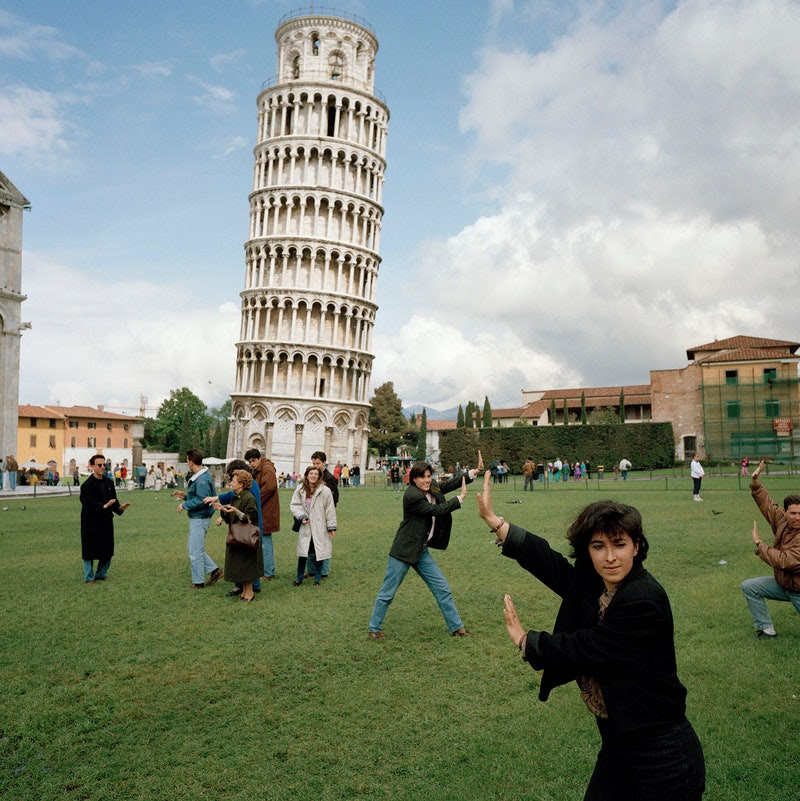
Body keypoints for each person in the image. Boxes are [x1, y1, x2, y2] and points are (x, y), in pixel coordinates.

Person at [476, 472, 705, 800]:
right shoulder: (601, 583)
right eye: (599, 546)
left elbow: (590, 648)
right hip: (619, 747)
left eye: (619, 544)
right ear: (588, 551)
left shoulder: (643, 598)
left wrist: (529, 642)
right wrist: (496, 522)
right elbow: (552, 565)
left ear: (636, 547)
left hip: (663, 758)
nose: (610, 556)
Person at [367, 454, 483, 640]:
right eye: (423, 477)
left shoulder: (431, 485)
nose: (427, 480)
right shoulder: (412, 495)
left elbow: (446, 486)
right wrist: (459, 499)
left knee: (442, 588)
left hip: (421, 550)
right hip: (404, 551)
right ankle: (374, 629)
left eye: (429, 476)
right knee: (387, 593)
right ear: (414, 479)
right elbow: (436, 510)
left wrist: (471, 473)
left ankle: (457, 628)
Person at [741, 459, 800, 638]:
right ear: (785, 512)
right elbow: (767, 505)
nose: (797, 517)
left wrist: (760, 545)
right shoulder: (782, 521)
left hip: (798, 591)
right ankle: (766, 630)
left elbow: (786, 561)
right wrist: (756, 483)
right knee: (749, 587)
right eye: (793, 513)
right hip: (783, 585)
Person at [172, 448, 223, 589]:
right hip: (200, 518)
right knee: (194, 549)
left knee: (195, 551)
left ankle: (198, 582)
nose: (187, 463)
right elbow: (200, 497)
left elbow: (202, 500)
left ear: (191, 461)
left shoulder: (201, 480)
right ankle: (214, 571)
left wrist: (185, 504)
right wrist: (186, 496)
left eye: (187, 460)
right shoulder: (203, 477)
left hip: (200, 518)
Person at [80, 454, 131, 583]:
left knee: (107, 550)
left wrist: (119, 508)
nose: (103, 467)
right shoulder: (87, 485)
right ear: (92, 466)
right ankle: (89, 577)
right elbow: (87, 503)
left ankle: (101, 573)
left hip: (106, 521)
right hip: (91, 522)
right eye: (99, 465)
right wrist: (102, 506)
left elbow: (113, 500)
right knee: (89, 551)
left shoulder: (109, 482)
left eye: (104, 465)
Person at [213, 469, 261, 602]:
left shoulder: (249, 497)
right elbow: (231, 515)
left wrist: (238, 512)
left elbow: (251, 517)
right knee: (241, 564)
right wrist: (223, 510)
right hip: (237, 536)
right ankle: (244, 591)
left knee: (247, 564)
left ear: (241, 484)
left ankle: (249, 592)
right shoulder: (236, 496)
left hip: (246, 537)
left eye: (233, 481)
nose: (231, 483)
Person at [290, 465, 337, 585]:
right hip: (306, 525)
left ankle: (317, 578)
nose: (313, 476)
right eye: (311, 473)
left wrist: (331, 526)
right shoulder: (300, 489)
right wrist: (301, 516)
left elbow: (329, 509)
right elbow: (295, 505)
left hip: (319, 525)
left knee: (318, 552)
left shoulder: (324, 491)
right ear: (307, 475)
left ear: (319, 476)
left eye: (316, 474)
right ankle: (299, 578)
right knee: (303, 553)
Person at [245, 448, 280, 581]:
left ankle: (268, 572)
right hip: (263, 509)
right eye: (250, 462)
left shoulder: (267, 469)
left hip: (267, 510)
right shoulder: (260, 469)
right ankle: (265, 570)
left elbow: (269, 488)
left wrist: (255, 501)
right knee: (262, 540)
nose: (252, 464)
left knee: (265, 541)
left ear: (259, 458)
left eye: (253, 461)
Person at [311, 450, 339, 578]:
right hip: (313, 515)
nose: (315, 466)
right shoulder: (312, 476)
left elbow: (335, 498)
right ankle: (311, 569)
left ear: (324, 463)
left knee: (324, 542)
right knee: (310, 542)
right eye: (313, 463)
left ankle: (323, 571)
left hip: (324, 515)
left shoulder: (329, 478)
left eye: (318, 463)